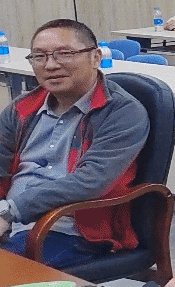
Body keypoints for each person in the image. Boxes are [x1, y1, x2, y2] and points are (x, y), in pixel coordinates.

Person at [0, 19, 150, 269]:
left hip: (71, 230)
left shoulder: (122, 112)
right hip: (10, 221)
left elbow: (91, 181)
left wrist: (10, 211)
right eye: (39, 56)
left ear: (95, 57)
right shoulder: (22, 108)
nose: (50, 65)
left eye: (64, 54)